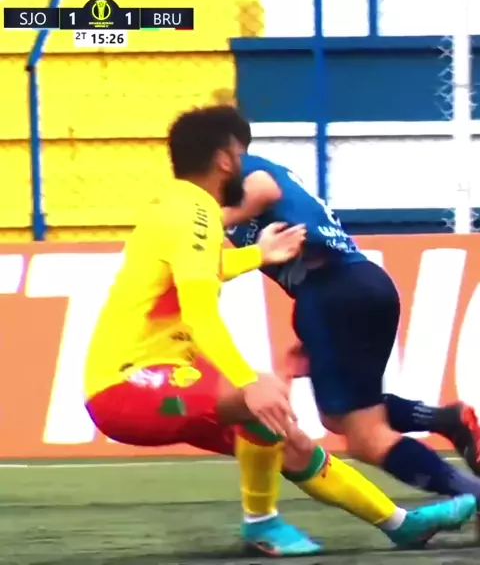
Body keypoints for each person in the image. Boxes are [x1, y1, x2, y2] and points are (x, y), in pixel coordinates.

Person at [83, 106, 476, 557]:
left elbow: (200, 268)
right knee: (264, 400)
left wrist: (259, 254)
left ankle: (400, 524)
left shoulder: (178, 209)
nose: (245, 161)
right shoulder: (194, 213)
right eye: (241, 152)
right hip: (126, 383)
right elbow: (199, 312)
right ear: (226, 159)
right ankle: (262, 524)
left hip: (162, 377)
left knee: (290, 440)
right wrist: (247, 381)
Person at [220, 109, 480, 507]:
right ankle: (445, 420)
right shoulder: (258, 182)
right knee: (340, 417)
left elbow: (263, 189)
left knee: (365, 437)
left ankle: (472, 493)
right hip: (358, 284)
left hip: (334, 294)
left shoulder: (249, 174)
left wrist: (212, 219)